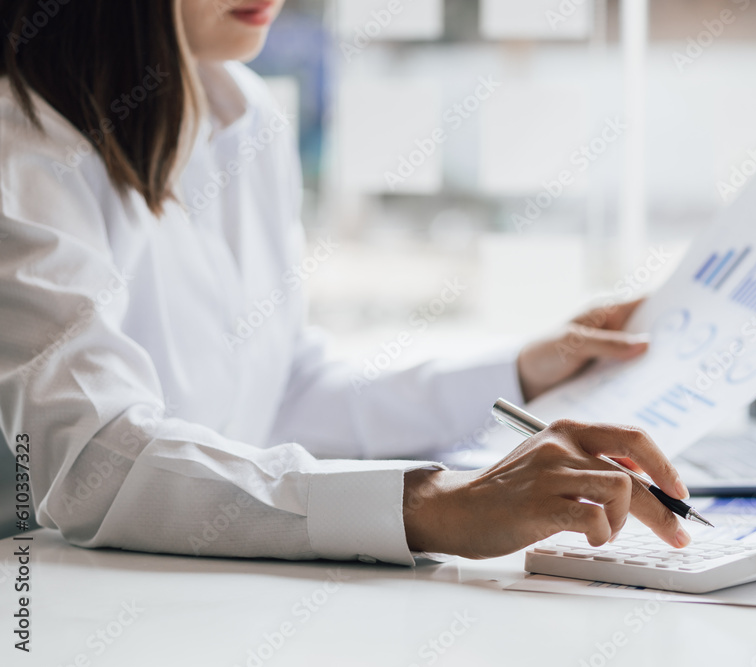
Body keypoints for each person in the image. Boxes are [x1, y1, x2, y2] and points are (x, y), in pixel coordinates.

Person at [0, 0, 691, 565]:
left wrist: (519, 374)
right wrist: (429, 504)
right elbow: (93, 461)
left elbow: (283, 394)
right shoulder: (21, 155)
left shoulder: (243, 117)